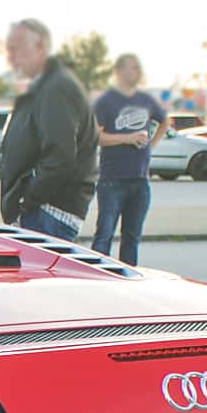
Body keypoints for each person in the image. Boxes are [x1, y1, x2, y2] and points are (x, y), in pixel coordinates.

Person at [0, 18, 97, 239]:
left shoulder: (57, 88)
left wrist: (27, 199)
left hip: (47, 213)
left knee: (37, 275)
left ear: (40, 47)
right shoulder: (45, 86)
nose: (11, 56)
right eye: (9, 49)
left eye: (17, 48)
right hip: (41, 212)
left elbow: (60, 156)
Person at [89, 53, 169, 264]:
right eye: (132, 68)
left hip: (140, 180)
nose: (136, 72)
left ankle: (127, 281)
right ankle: (98, 278)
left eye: (138, 68)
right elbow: (97, 137)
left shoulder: (146, 100)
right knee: (104, 235)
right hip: (112, 180)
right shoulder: (106, 101)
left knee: (132, 238)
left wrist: (150, 146)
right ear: (120, 71)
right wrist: (127, 138)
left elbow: (165, 121)